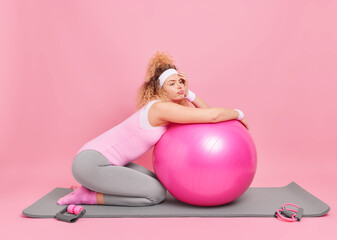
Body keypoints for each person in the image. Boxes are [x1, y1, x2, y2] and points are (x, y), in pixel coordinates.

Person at [56, 51, 249, 207]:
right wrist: (238, 114)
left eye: (180, 82)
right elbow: (213, 116)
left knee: (160, 184)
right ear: (160, 90)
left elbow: (206, 116)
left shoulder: (170, 108)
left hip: (111, 163)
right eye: (171, 84)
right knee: (155, 194)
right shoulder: (160, 108)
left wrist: (188, 93)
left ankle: (91, 188)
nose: (179, 87)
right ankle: (87, 196)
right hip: (91, 162)